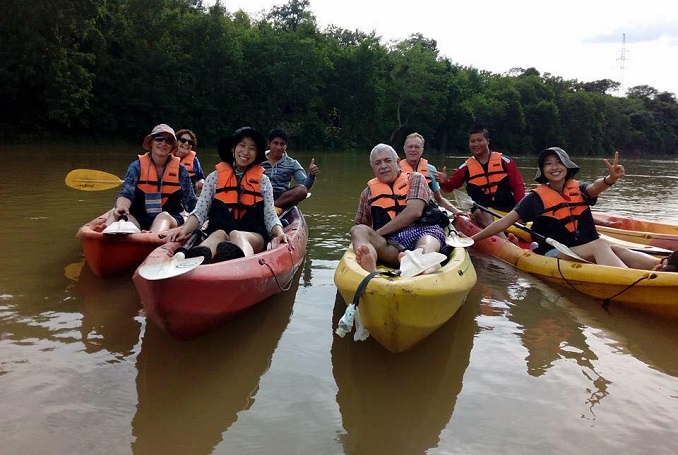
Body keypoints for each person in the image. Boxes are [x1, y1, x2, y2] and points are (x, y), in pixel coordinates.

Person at [470, 147, 661, 269]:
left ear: (567, 167)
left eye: (559, 162)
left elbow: (595, 188)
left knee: (617, 249)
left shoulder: (579, 188)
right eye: (548, 164)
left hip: (583, 248)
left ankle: (663, 266)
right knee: (601, 245)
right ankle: (630, 280)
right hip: (554, 253)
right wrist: (473, 239)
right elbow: (503, 223)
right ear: (543, 171)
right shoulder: (535, 198)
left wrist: (610, 179)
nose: (554, 167)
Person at [165, 127, 288, 264]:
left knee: (236, 234)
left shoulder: (263, 181)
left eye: (252, 148)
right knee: (218, 234)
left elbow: (270, 215)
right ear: (233, 148)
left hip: (253, 236)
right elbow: (200, 212)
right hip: (220, 233)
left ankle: (242, 261)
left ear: (257, 153)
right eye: (242, 145)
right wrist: (184, 230)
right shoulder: (214, 178)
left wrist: (280, 233)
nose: (246, 152)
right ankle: (198, 257)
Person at [350, 143, 448, 273]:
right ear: (372, 167)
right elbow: (362, 226)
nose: (383, 166)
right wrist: (369, 238)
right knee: (358, 230)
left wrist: (377, 233)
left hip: (424, 231)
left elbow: (414, 212)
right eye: (378, 163)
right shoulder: (367, 193)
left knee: (426, 245)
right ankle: (369, 260)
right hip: (391, 245)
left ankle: (424, 265)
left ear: (397, 162)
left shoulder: (416, 179)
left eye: (387, 160)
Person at [106, 124, 197, 232]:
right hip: (139, 216)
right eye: (159, 138)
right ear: (151, 143)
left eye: (168, 140)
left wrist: (202, 216)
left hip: (169, 217)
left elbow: (190, 201)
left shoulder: (181, 170)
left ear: (172, 146)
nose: (163, 143)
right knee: (116, 215)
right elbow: (126, 193)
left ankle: (151, 237)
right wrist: (122, 206)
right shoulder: (136, 166)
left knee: (163, 216)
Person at [435, 125, 526, 231]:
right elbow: (449, 188)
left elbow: (518, 186)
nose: (476, 144)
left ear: (487, 141)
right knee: (480, 212)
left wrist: (521, 212)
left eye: (479, 140)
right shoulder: (465, 168)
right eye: (472, 141)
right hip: (483, 213)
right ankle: (503, 240)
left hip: (508, 211)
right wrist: (443, 182)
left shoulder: (505, 162)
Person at [399, 132, 464, 218]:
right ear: (404, 149)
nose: (413, 149)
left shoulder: (431, 170)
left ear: (422, 150)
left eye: (417, 147)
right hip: (403, 213)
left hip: (426, 214)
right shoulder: (396, 170)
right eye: (410, 147)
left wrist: (456, 211)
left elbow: (439, 199)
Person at [260, 127, 319, 212]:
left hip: (282, 199)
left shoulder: (292, 163)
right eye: (275, 143)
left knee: (302, 190)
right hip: (260, 196)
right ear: (269, 143)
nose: (278, 147)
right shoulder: (258, 160)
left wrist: (312, 175)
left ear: (286, 146)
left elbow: (305, 185)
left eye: (282, 144)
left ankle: (270, 209)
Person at [174, 128, 205, 193]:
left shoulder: (194, 161)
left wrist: (201, 182)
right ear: (176, 141)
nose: (186, 143)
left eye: (190, 142)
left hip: (188, 199)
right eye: (183, 140)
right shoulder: (166, 157)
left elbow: (201, 177)